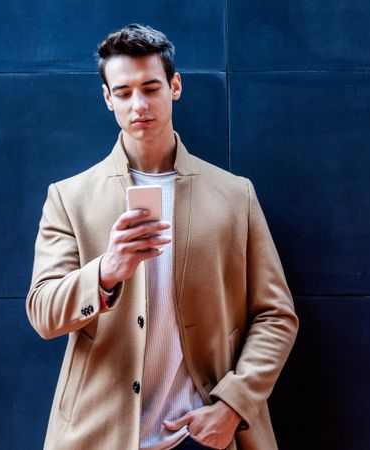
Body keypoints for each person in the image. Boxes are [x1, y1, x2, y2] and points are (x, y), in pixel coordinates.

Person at [26, 23, 298, 450]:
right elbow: (43, 313)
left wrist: (233, 406)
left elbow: (275, 316)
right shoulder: (69, 197)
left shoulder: (234, 194)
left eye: (151, 88)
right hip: (99, 436)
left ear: (175, 86)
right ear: (107, 99)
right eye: (124, 92)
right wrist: (106, 272)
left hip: (206, 436)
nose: (139, 104)